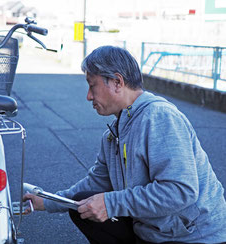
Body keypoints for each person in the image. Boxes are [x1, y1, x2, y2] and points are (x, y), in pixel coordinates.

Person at [23, 46, 226, 243]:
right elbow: (96, 183)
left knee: (96, 205)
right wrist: (46, 201)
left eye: (92, 85)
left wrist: (111, 204)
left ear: (117, 82)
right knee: (82, 204)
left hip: (191, 236)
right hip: (153, 230)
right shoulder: (114, 132)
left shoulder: (159, 117)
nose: (88, 96)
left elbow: (180, 191)